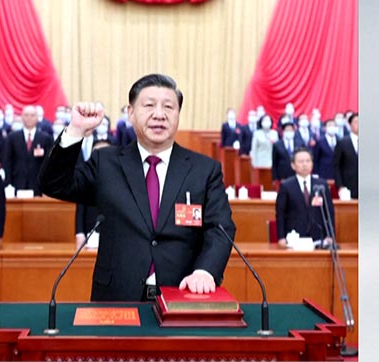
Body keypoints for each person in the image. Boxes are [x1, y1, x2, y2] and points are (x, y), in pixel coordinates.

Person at [39, 73, 236, 302]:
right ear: (130, 113)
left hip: (181, 296)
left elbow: (220, 228)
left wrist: (204, 271)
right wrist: (75, 131)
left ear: (178, 114)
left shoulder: (204, 170)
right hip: (116, 297)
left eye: (169, 107)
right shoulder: (106, 163)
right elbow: (53, 184)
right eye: (149, 105)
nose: (159, 114)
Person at [276, 147, 334, 246]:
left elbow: (329, 212)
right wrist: (281, 237)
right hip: (294, 237)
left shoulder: (321, 185)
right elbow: (280, 214)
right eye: (301, 161)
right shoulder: (286, 186)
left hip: (318, 237)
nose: (305, 164)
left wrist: (330, 235)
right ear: (293, 165)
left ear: (312, 164)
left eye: (308, 161)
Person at [1, 105, 53, 194]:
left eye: (32, 115)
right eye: (26, 115)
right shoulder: (12, 137)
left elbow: (49, 163)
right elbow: (7, 161)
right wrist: (8, 183)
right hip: (17, 183)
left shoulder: (46, 138)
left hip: (38, 185)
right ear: (21, 117)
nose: (29, 118)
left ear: (37, 118)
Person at [333, 112, 359, 199]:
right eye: (356, 122)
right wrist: (340, 186)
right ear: (350, 125)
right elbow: (336, 166)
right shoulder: (343, 143)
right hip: (348, 186)